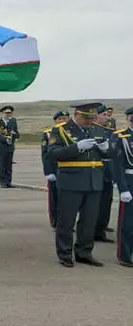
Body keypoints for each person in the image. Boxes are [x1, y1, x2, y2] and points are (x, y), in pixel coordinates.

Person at [47, 102, 110, 267]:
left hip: (94, 181)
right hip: (71, 181)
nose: (90, 121)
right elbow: (53, 154)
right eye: (87, 118)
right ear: (77, 115)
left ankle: (84, 252)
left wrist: (106, 149)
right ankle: (65, 253)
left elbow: (108, 154)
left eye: (92, 117)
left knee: (89, 221)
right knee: (66, 221)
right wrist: (76, 147)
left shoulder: (97, 129)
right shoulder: (60, 129)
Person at [112, 107, 133, 267]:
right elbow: (117, 165)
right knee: (127, 222)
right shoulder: (121, 137)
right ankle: (125, 255)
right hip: (129, 180)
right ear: (128, 119)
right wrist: (123, 188)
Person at [42, 110, 69, 228]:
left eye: (65, 118)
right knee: (54, 197)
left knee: (67, 199)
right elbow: (45, 154)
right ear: (55, 121)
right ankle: (55, 220)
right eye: (60, 119)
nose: (63, 121)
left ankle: (66, 221)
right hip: (54, 169)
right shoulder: (48, 134)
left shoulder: (71, 133)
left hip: (68, 170)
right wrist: (48, 172)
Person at [94, 105, 117, 244]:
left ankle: (101, 229)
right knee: (92, 204)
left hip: (108, 172)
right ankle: (90, 230)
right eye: (104, 115)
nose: (107, 118)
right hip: (95, 171)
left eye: (108, 115)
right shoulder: (90, 130)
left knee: (106, 203)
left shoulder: (110, 132)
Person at [0, 105, 19, 188]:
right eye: (6, 113)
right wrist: (4, 139)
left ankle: (9, 182)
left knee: (9, 164)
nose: (8, 114)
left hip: (10, 146)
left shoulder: (13, 121)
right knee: (2, 164)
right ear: (3, 113)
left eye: (10, 113)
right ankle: (3, 182)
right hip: (2, 146)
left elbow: (17, 133)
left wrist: (15, 135)